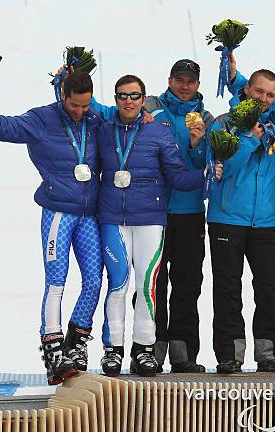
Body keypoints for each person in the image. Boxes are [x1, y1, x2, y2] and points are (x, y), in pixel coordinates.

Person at [0, 71, 103, 385]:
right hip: (58, 213)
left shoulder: (95, 120)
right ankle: (53, 350)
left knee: (94, 281)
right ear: (62, 95)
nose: (80, 112)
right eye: (74, 105)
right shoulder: (41, 119)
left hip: (88, 215)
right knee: (56, 281)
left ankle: (76, 343)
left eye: (85, 106)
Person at [91, 60, 212, 373]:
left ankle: (183, 355)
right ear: (169, 80)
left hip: (186, 212)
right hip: (146, 214)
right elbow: (99, 111)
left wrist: (203, 159)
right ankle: (147, 350)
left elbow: (189, 166)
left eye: (191, 81)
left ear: (198, 84)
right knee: (144, 284)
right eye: (180, 79)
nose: (185, 86)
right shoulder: (152, 110)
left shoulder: (206, 118)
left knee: (185, 285)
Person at [207, 68, 275, 374]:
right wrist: (250, 139)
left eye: (270, 94)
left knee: (270, 289)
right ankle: (230, 355)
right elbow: (221, 170)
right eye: (259, 92)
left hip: (265, 221)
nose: (264, 99)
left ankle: (268, 353)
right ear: (246, 90)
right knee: (228, 289)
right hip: (226, 218)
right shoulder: (224, 124)